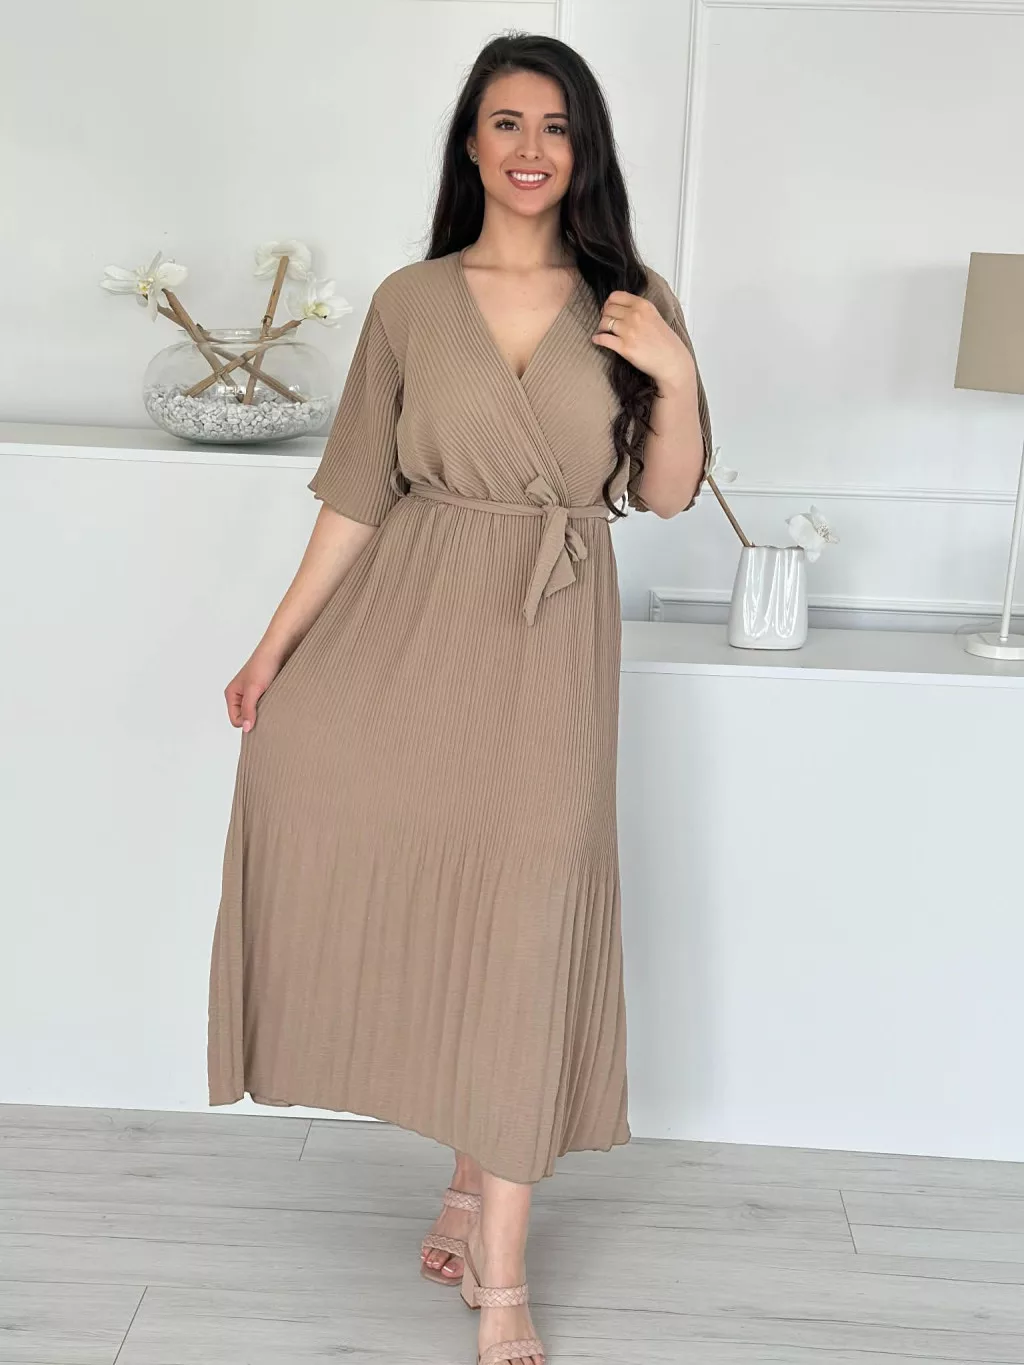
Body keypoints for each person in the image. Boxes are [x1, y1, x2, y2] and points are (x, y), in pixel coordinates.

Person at [206, 31, 712, 1365]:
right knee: (430, 894)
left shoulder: (631, 298)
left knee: (526, 924)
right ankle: (469, 1192)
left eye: (556, 125)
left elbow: (665, 495)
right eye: (506, 122)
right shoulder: (412, 300)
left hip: (551, 648)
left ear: (585, 148)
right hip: (413, 625)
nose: (531, 148)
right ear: (471, 144)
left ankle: (503, 1272)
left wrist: (675, 371)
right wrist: (272, 653)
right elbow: (358, 492)